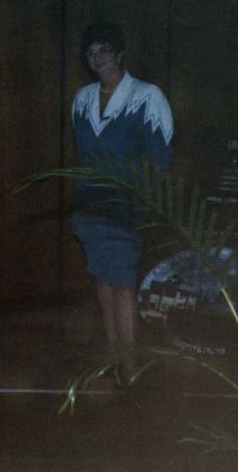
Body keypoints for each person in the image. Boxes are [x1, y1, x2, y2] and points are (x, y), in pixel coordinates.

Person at [71, 21, 173, 355]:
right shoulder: (82, 99)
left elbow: (160, 159)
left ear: (120, 53)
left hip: (127, 207)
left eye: (104, 49)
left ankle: (130, 367)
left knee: (124, 283)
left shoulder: (147, 96)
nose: (97, 57)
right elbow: (83, 155)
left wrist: (145, 202)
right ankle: (113, 354)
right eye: (90, 52)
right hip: (90, 205)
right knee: (103, 279)